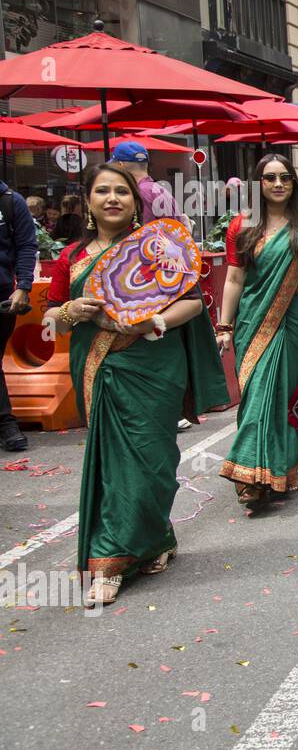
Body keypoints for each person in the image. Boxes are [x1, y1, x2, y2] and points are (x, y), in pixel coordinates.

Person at [41, 163, 227, 605]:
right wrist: (70, 312)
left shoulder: (158, 247)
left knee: (153, 462)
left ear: (135, 200)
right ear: (87, 201)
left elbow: (194, 305)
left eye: (121, 192)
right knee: (115, 467)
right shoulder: (72, 258)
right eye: (101, 191)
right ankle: (112, 558)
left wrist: (153, 322)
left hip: (156, 366)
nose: (112, 199)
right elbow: (51, 322)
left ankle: (153, 537)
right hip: (101, 369)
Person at [216, 155, 298, 508]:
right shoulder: (242, 226)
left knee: (285, 396)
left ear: (294, 184)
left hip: (297, 321)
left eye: (285, 178)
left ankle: (274, 471)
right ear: (259, 185)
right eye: (270, 178)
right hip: (253, 321)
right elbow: (235, 279)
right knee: (256, 395)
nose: (278, 184)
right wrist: (224, 325)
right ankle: (253, 470)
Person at [0, 180, 38, 452]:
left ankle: (5, 423)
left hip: (2, 295)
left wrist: (24, 286)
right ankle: (5, 422)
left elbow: (26, 245)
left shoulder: (11, 201)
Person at [107, 141, 192, 233]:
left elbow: (143, 236)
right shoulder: (160, 190)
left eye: (114, 167)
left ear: (120, 165)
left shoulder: (141, 193)